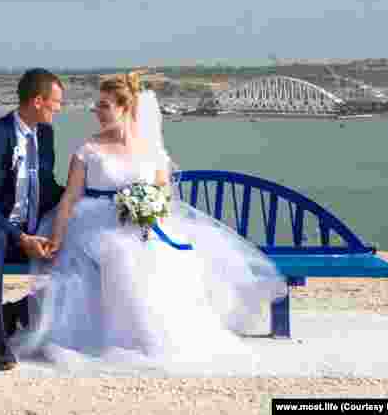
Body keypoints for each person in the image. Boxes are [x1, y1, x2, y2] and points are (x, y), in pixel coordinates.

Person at [18, 71, 286, 370]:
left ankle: (153, 336)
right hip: (92, 223)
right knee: (118, 253)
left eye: (104, 105)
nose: (97, 111)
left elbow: (164, 195)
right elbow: (69, 198)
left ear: (125, 108)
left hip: (142, 222)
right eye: (97, 105)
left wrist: (148, 209)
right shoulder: (87, 150)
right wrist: (57, 236)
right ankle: (115, 338)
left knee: (161, 255)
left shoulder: (151, 151)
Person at [0, 68, 66, 370]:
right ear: (38, 101)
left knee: (80, 242)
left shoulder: (46, 134)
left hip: (29, 231)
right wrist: (20, 237)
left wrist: (85, 197)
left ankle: (18, 310)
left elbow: (45, 185)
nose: (60, 108)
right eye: (57, 102)